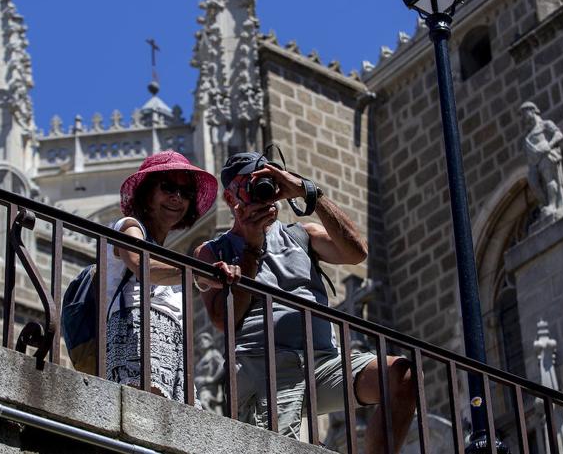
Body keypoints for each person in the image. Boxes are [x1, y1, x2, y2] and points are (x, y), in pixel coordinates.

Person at [194, 151, 415, 452]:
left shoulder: (303, 235)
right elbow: (224, 320)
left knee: (401, 376)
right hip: (266, 367)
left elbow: (357, 252)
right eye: (250, 185)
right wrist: (251, 247)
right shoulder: (213, 251)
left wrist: (307, 191)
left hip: (323, 360)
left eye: (267, 181)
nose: (262, 191)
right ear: (230, 198)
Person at [105, 150, 236, 400]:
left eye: (185, 193)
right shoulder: (129, 227)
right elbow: (142, 266)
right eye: (168, 188)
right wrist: (197, 273)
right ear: (147, 193)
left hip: (172, 341)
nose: (177, 198)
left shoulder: (162, 248)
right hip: (137, 328)